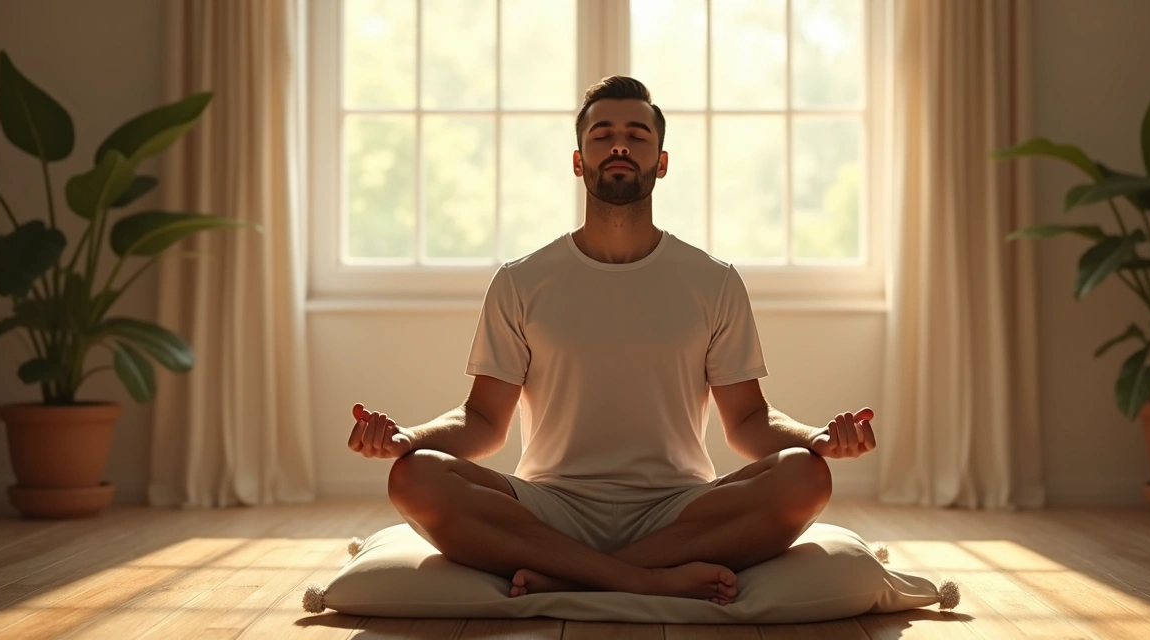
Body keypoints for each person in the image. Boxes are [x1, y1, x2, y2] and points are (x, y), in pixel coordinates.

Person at [346, 76, 876, 605]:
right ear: (578, 161)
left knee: (806, 476)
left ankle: (575, 578)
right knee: (414, 478)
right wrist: (407, 440)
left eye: (637, 135)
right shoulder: (521, 280)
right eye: (602, 134)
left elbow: (747, 422)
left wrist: (816, 439)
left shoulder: (713, 281)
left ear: (661, 162)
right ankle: (644, 580)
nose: (620, 144)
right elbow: (483, 421)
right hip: (548, 507)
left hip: (678, 509)